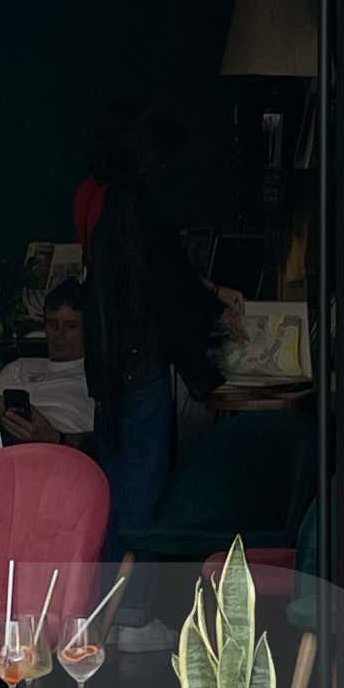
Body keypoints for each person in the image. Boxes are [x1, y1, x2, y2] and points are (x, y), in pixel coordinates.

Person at [78, 98, 232, 558]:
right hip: (142, 367)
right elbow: (170, 286)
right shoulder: (141, 215)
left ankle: (108, 609)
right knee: (143, 499)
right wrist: (217, 313)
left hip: (108, 371)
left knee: (113, 500)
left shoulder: (104, 212)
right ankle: (134, 612)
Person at [0, 283, 96, 446]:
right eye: (52, 324)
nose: (59, 335)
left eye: (70, 326)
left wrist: (53, 436)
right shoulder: (20, 367)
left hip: (51, 446)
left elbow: (103, 443)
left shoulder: (96, 376)